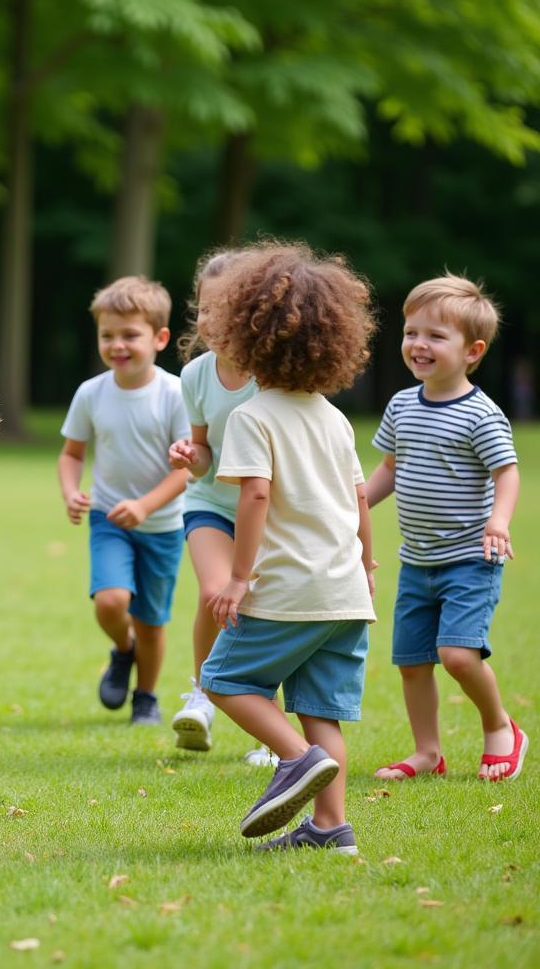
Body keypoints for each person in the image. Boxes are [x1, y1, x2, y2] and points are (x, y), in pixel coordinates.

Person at [201, 243, 376, 855]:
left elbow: (254, 497)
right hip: (345, 590)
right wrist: (369, 564)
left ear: (246, 337)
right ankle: (332, 830)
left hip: (288, 588)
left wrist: (239, 577)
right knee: (320, 708)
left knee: (222, 678)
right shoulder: (333, 418)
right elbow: (358, 499)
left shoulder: (254, 416)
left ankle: (295, 760)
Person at [366, 275, 526, 783]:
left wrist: (498, 522)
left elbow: (508, 472)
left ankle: (501, 727)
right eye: (412, 332)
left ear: (473, 350)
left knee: (457, 655)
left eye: (436, 335)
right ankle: (427, 752)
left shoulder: (481, 414)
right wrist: (356, 509)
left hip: (470, 560)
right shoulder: (401, 404)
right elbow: (390, 468)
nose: (419, 344)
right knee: (413, 663)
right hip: (417, 561)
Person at [58, 276, 190, 726]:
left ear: (159, 338)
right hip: (109, 518)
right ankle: (122, 649)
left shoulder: (175, 394)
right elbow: (71, 454)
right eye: (107, 335)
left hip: (163, 526)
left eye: (130, 335)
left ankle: (147, 698)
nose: (118, 345)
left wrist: (146, 506)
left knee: (152, 620)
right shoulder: (92, 393)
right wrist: (71, 490)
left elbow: (186, 469)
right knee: (111, 602)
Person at [167, 250, 273, 765]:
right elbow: (203, 454)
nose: (210, 321)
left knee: (263, 609)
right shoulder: (196, 376)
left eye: (224, 309)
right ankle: (203, 694)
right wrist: (190, 455)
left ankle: (269, 735)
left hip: (270, 513)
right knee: (215, 593)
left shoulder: (274, 376)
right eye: (204, 308)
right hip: (210, 502)